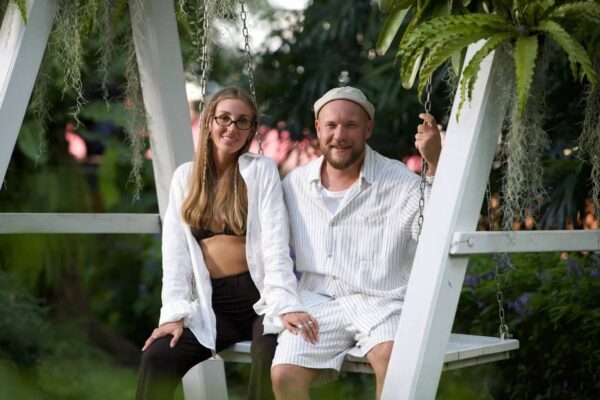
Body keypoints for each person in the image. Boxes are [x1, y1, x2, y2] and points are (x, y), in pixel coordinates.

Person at [136, 86, 319, 400]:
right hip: (214, 306)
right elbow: (176, 253)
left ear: (251, 129)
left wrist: (285, 305)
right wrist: (173, 315)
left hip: (260, 300)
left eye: (242, 121)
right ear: (209, 121)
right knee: (159, 355)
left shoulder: (260, 171)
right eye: (224, 118)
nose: (232, 127)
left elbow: (275, 244)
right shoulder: (185, 177)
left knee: (268, 353)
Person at [270, 86, 442, 400]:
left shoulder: (398, 180)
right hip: (318, 302)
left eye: (351, 125)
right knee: (284, 376)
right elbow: (272, 250)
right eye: (331, 125)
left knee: (392, 360)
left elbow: (435, 230)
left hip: (381, 301)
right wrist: (284, 304)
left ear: (368, 129)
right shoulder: (295, 184)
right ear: (318, 128)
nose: (340, 135)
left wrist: (434, 163)